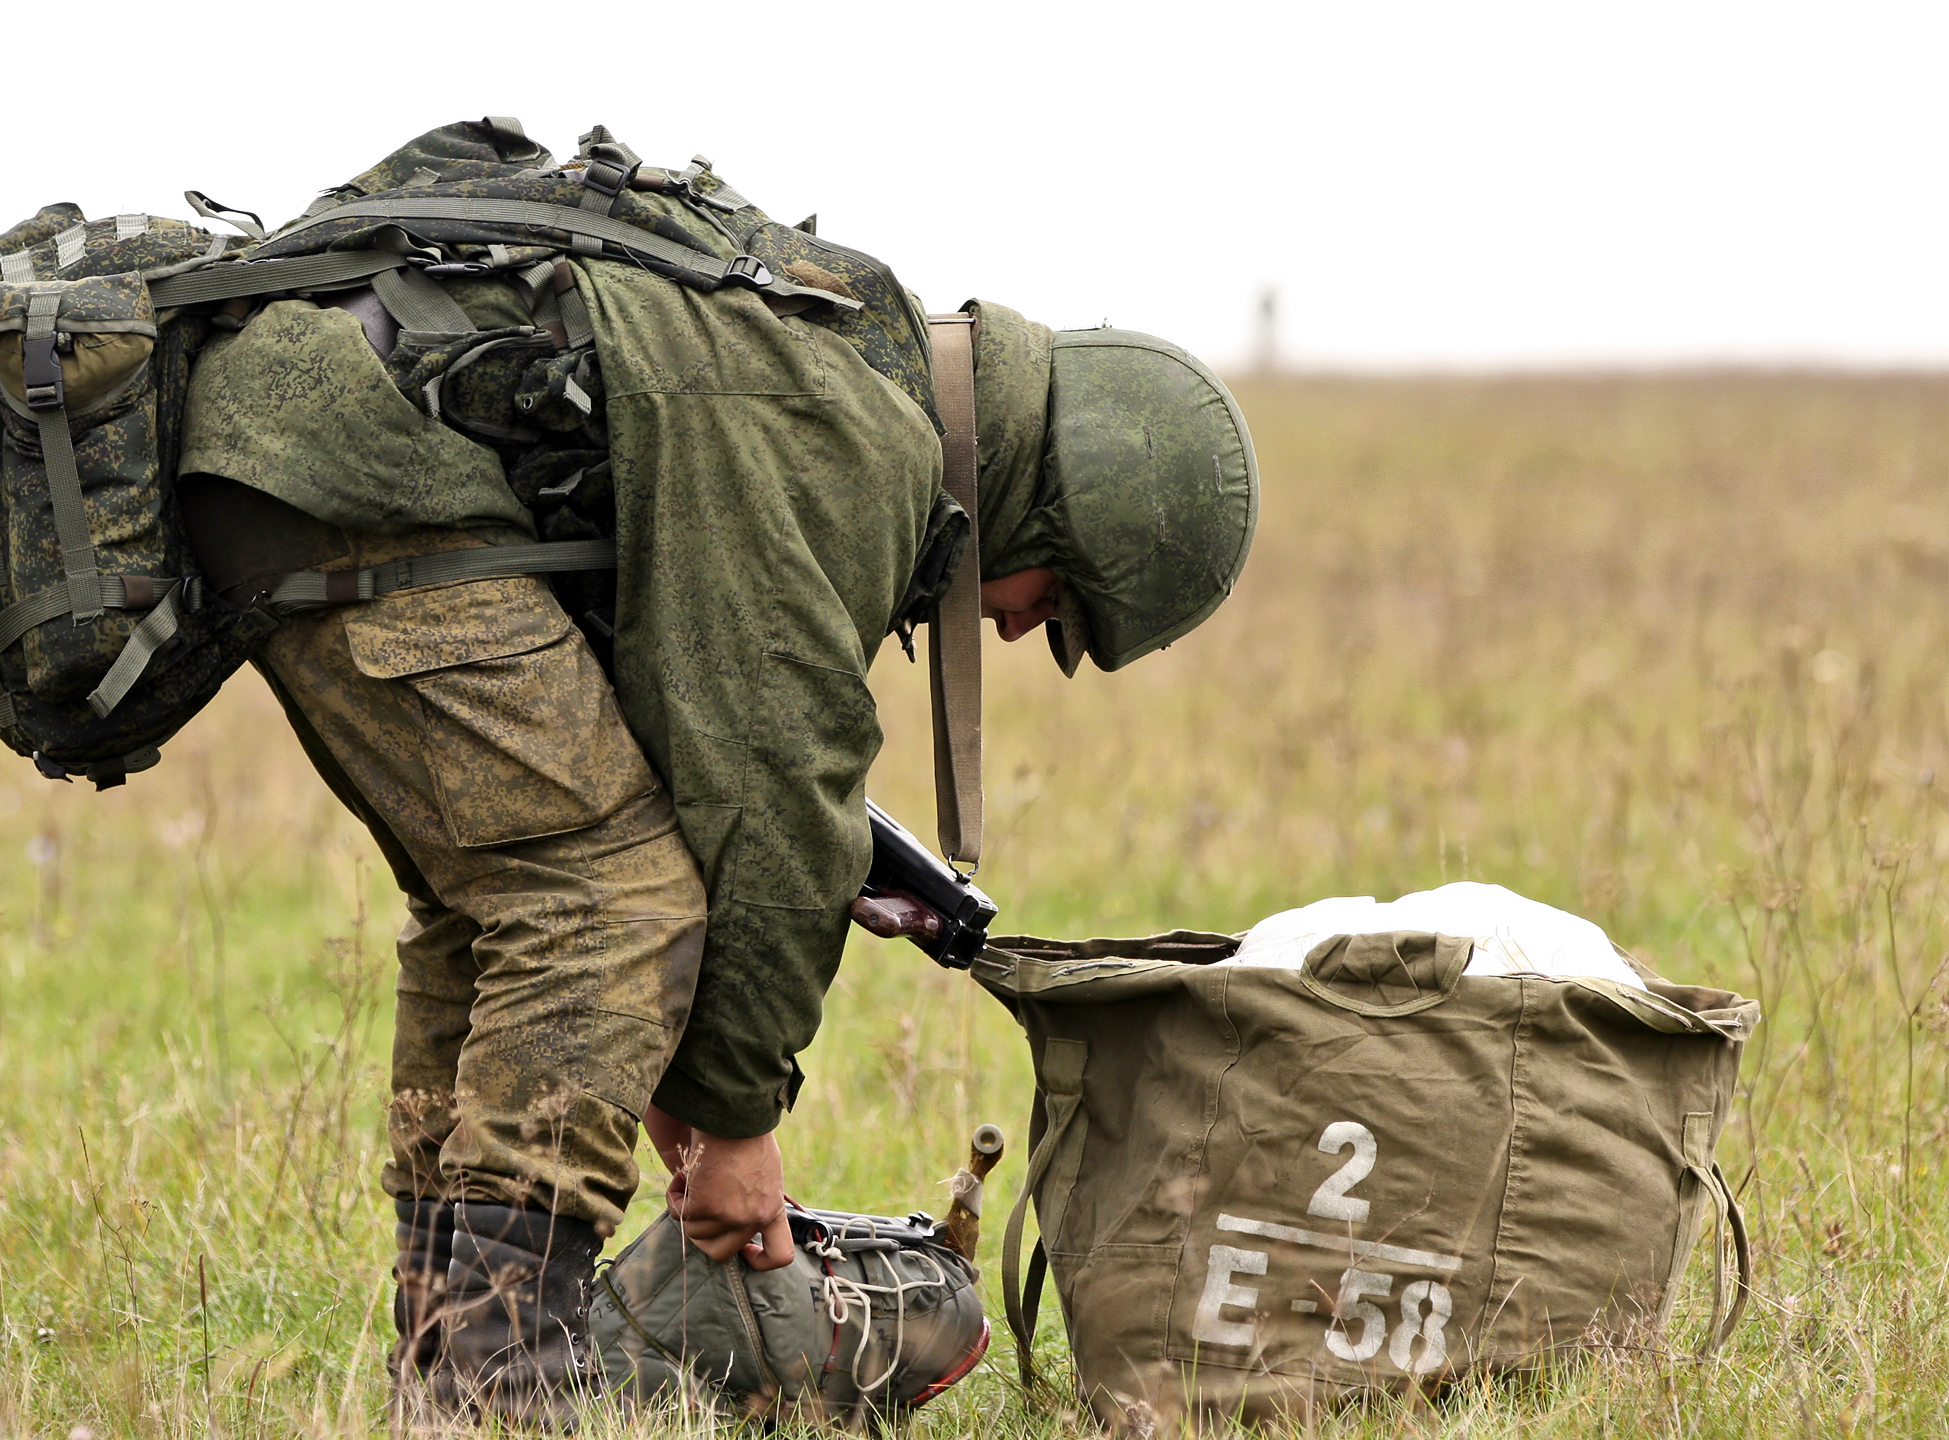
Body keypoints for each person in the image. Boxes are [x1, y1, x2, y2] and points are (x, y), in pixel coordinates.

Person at [172, 118, 1258, 1422]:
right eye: (1059, 605)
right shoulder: (860, 432)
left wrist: (688, 1105)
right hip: (358, 475)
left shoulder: (850, 365)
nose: (1026, 631)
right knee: (597, 905)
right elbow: (772, 769)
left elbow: (700, 725)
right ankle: (494, 1389)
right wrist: (734, 1132)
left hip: (285, 455)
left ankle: (447, 1341)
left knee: (508, 913)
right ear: (1064, 505)